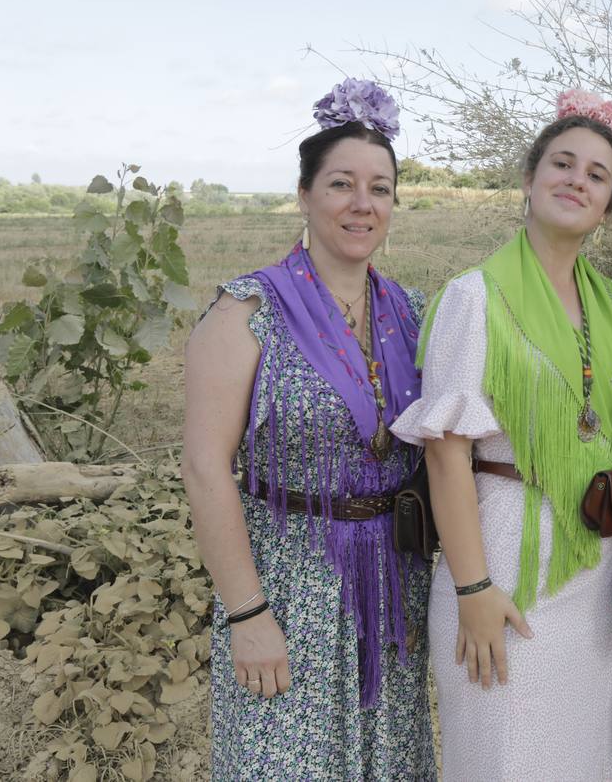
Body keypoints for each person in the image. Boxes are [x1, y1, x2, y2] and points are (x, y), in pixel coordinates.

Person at [182, 79, 434, 779]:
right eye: (342, 184)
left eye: (380, 189)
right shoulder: (247, 312)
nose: (363, 204)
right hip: (289, 590)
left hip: (392, 592)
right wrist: (246, 613)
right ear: (303, 194)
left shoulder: (412, 313)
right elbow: (206, 469)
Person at [390, 90, 612, 779]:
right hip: (504, 563)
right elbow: (447, 452)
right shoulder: (474, 297)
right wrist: (473, 590)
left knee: (587, 759)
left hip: (593, 575)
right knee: (507, 759)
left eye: (598, 174)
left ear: (609, 204)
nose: (577, 181)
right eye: (562, 163)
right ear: (528, 179)